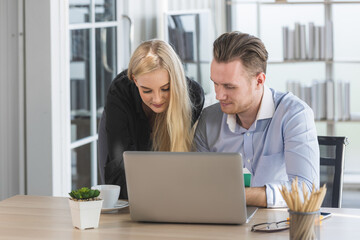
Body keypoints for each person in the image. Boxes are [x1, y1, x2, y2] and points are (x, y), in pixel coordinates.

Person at [194, 32, 319, 208]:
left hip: (279, 227)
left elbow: (306, 192)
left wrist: (236, 195)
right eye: (215, 83)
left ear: (259, 81)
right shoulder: (209, 119)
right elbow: (197, 187)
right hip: (223, 224)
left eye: (230, 86)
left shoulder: (295, 115)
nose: (219, 95)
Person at [102, 39, 205, 199]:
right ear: (135, 81)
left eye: (165, 89)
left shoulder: (193, 96)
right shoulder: (120, 92)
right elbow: (118, 173)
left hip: (166, 186)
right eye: (147, 90)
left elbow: (181, 167)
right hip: (127, 179)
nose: (157, 99)